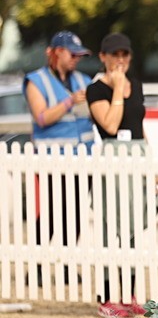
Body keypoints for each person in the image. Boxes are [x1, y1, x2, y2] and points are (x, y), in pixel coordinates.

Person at [23, 32, 95, 286]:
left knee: (74, 215)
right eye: (72, 54)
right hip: (52, 160)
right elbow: (41, 117)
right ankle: (37, 265)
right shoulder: (35, 81)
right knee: (52, 215)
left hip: (82, 159)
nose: (76, 59)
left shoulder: (83, 80)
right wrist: (69, 102)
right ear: (55, 53)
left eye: (79, 55)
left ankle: (65, 264)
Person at [87, 32, 148, 317]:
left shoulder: (135, 85)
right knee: (111, 229)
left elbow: (138, 125)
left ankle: (130, 293)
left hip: (137, 157)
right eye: (115, 55)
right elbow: (110, 125)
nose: (120, 60)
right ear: (103, 57)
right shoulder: (96, 89)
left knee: (136, 230)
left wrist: (151, 166)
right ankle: (107, 295)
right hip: (112, 158)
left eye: (125, 55)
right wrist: (116, 88)